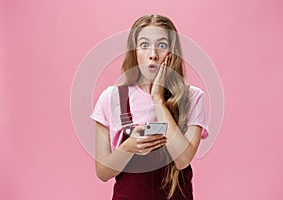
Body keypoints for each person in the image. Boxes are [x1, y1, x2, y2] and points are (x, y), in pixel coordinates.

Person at [90, 14, 209, 200]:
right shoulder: (112, 98)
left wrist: (158, 100)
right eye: (144, 45)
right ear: (134, 51)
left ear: (172, 52)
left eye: (162, 45)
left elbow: (183, 159)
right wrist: (128, 148)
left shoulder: (192, 97)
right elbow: (103, 172)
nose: (153, 54)